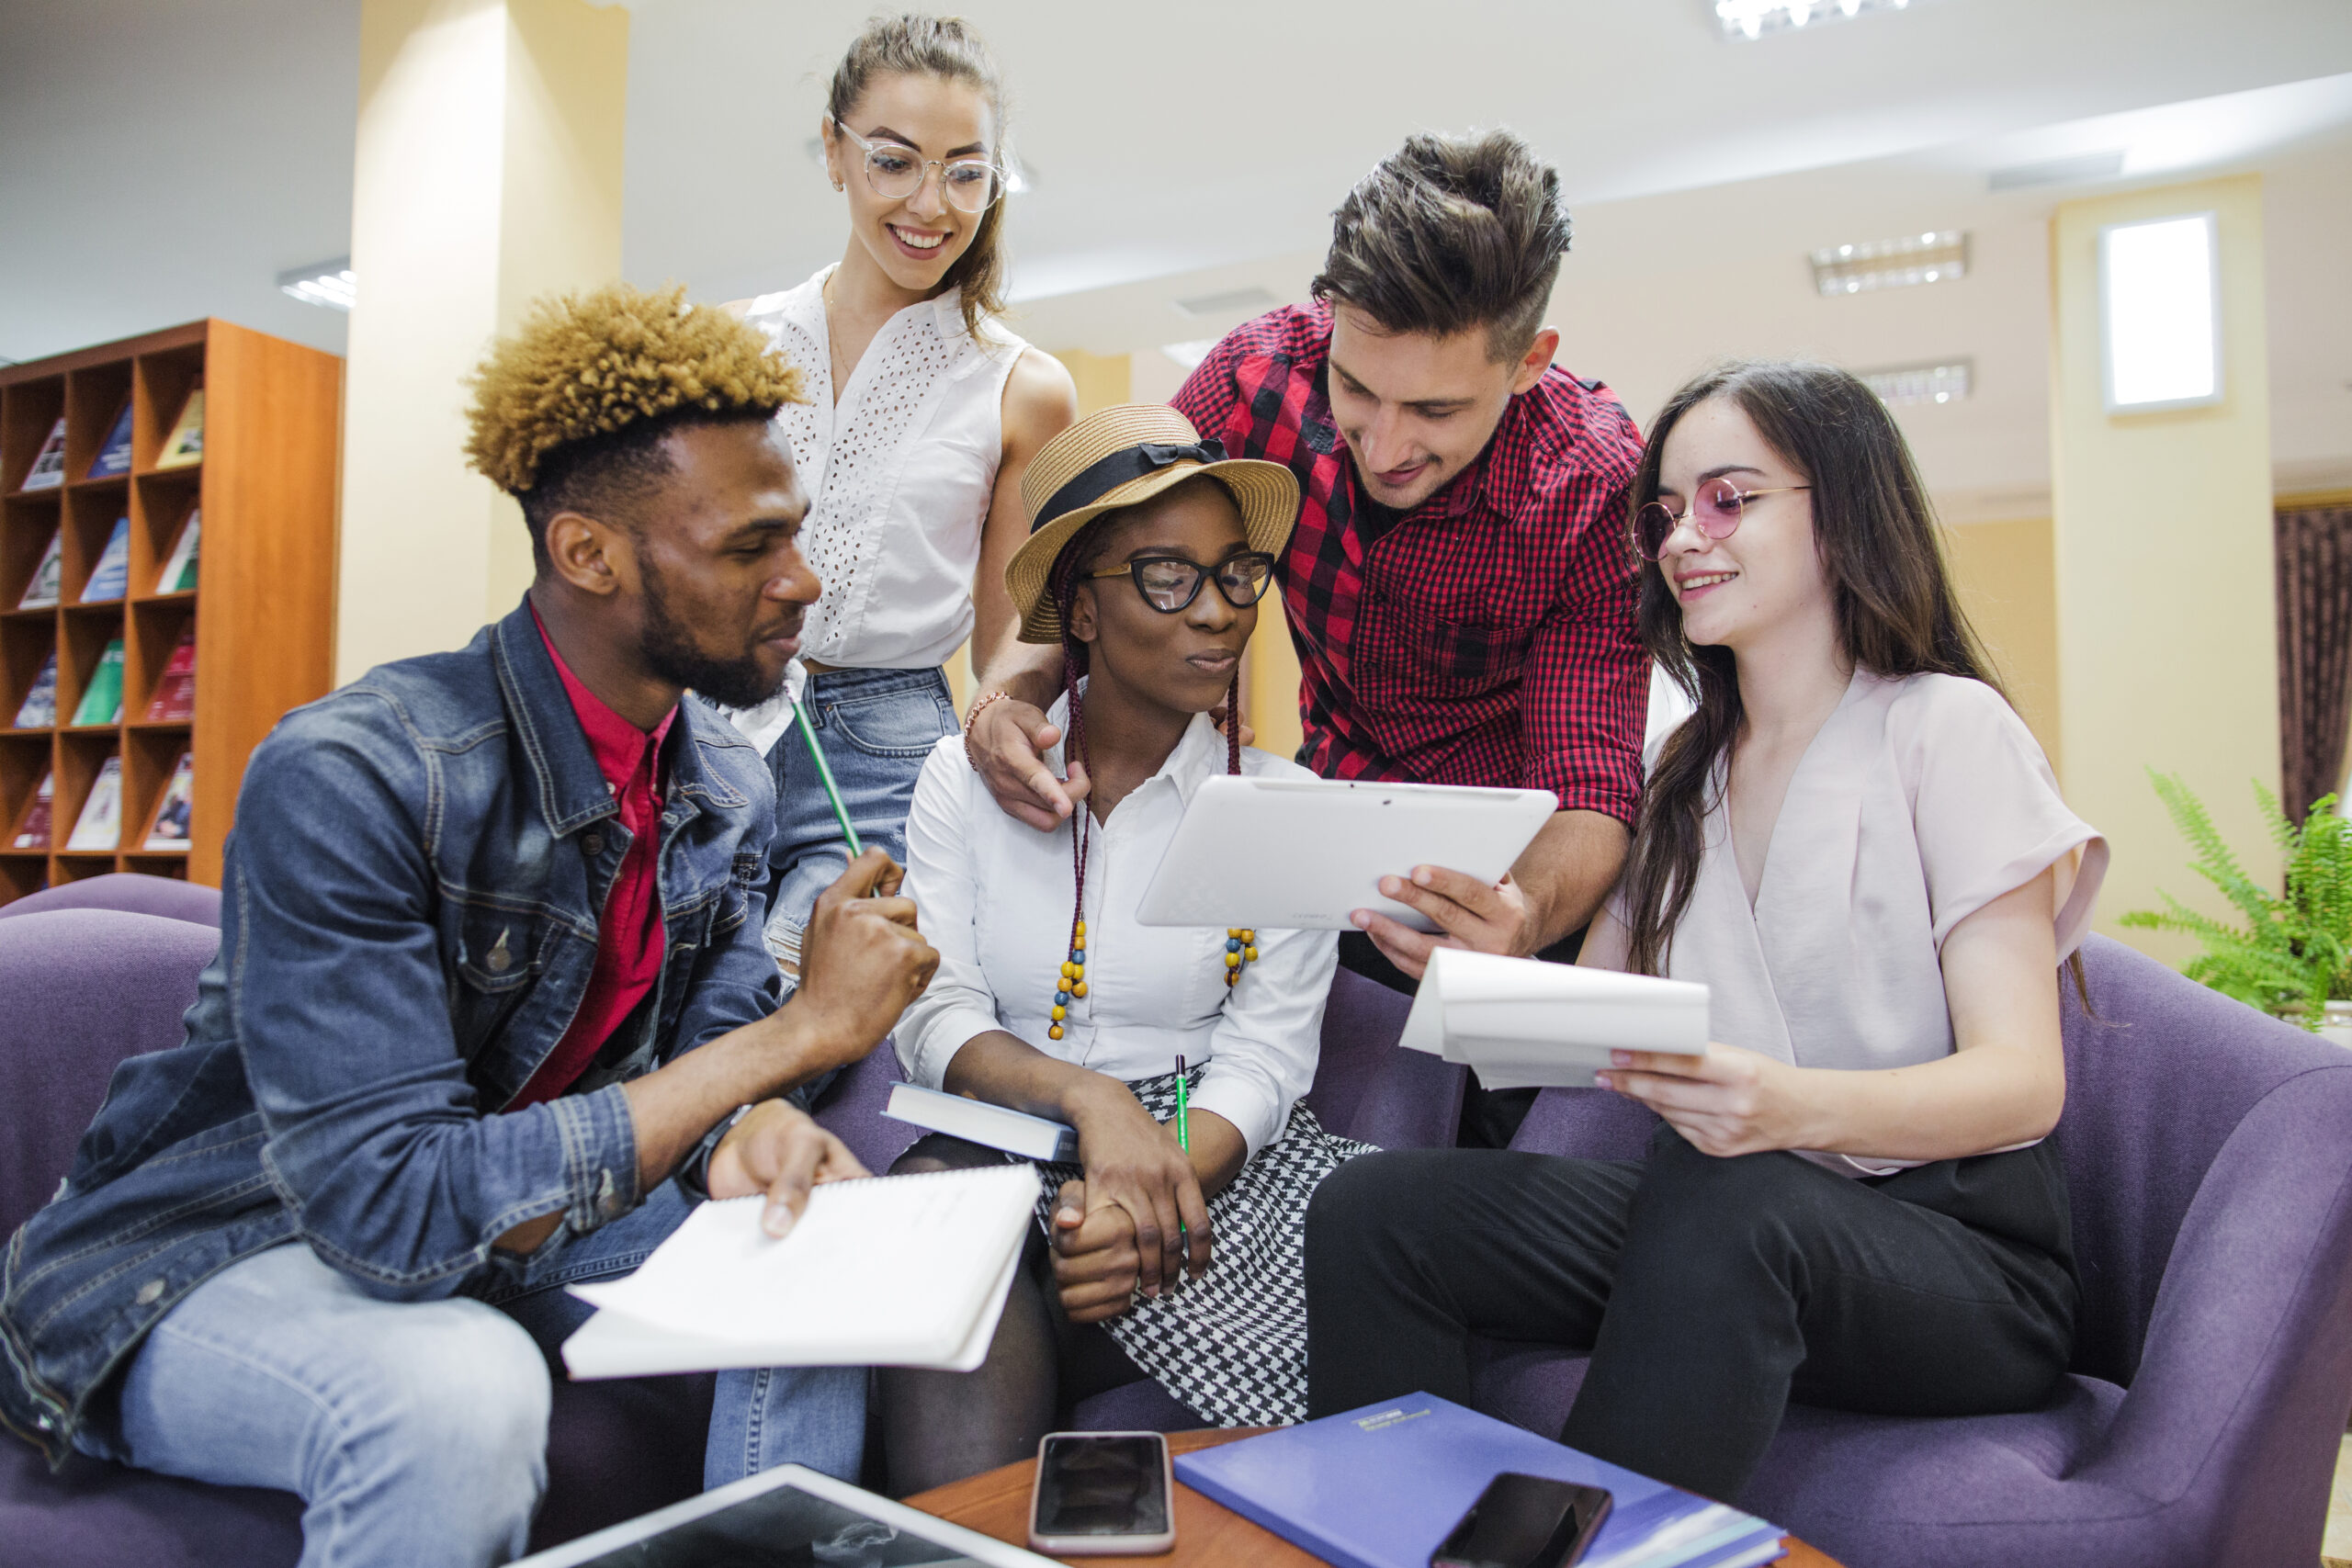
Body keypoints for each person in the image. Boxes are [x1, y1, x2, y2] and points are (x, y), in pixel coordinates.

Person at [0, 284, 939, 1567]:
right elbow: (388, 1208)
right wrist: (797, 1039)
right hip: (222, 1250)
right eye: (747, 547)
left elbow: (701, 1055)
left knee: (824, 1244)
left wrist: (753, 1127)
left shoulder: (719, 781)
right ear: (588, 555)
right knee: (459, 1391)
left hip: (508, 1211)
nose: (804, 580)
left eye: (799, 533)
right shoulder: (354, 771)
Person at [1303, 360, 2108, 1506]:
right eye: (1666, 513)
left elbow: (2023, 1084)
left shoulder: (1946, 730)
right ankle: (1392, 1527)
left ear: (1842, 509)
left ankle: (1553, 1543)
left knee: (1736, 1194)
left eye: (1729, 499)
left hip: (1958, 1264)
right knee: (1374, 1212)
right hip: (1725, 1216)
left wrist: (1785, 1107)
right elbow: (1590, 1034)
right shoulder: (1684, 774)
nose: (1683, 539)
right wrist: (1482, 967)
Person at [966, 129, 1646, 1144]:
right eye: (1357, 389)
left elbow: (1591, 789)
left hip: (1516, 890)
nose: (1384, 443)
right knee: (1328, 1161)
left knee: (1503, 1202)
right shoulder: (1254, 382)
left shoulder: (1591, 482)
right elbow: (1102, 566)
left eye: (1434, 410)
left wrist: (1524, 911)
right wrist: (1008, 698)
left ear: (1527, 362)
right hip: (1329, 855)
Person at [880, 406, 1366, 1494]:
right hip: (993, 1133)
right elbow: (932, 1015)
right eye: (1165, 578)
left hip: (1209, 1155)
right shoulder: (964, 781)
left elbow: (1264, 1063)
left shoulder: (1287, 807)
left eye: (1236, 574)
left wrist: (1140, 1184)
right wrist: (1094, 1110)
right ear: (1082, 614)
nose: (1219, 612)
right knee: (947, 1214)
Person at [725, 12, 1076, 980]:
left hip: (887, 747)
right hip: (714, 720)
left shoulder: (1021, 385)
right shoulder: (732, 347)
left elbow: (1017, 618)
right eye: (894, 162)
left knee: (793, 995)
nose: (932, 203)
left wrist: (1004, 709)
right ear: (835, 152)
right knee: (652, 993)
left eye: (966, 171)